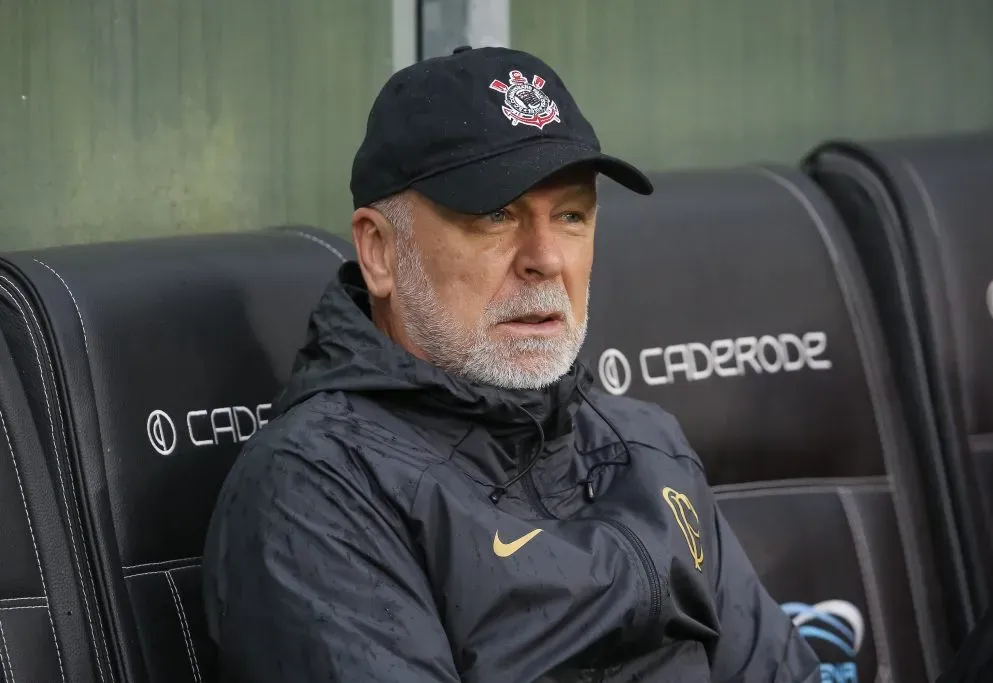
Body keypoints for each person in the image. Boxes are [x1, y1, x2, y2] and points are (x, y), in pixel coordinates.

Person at [202, 45, 821, 682]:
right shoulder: (320, 491)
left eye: (572, 215)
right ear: (380, 252)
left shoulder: (649, 448)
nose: (546, 258)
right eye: (496, 215)